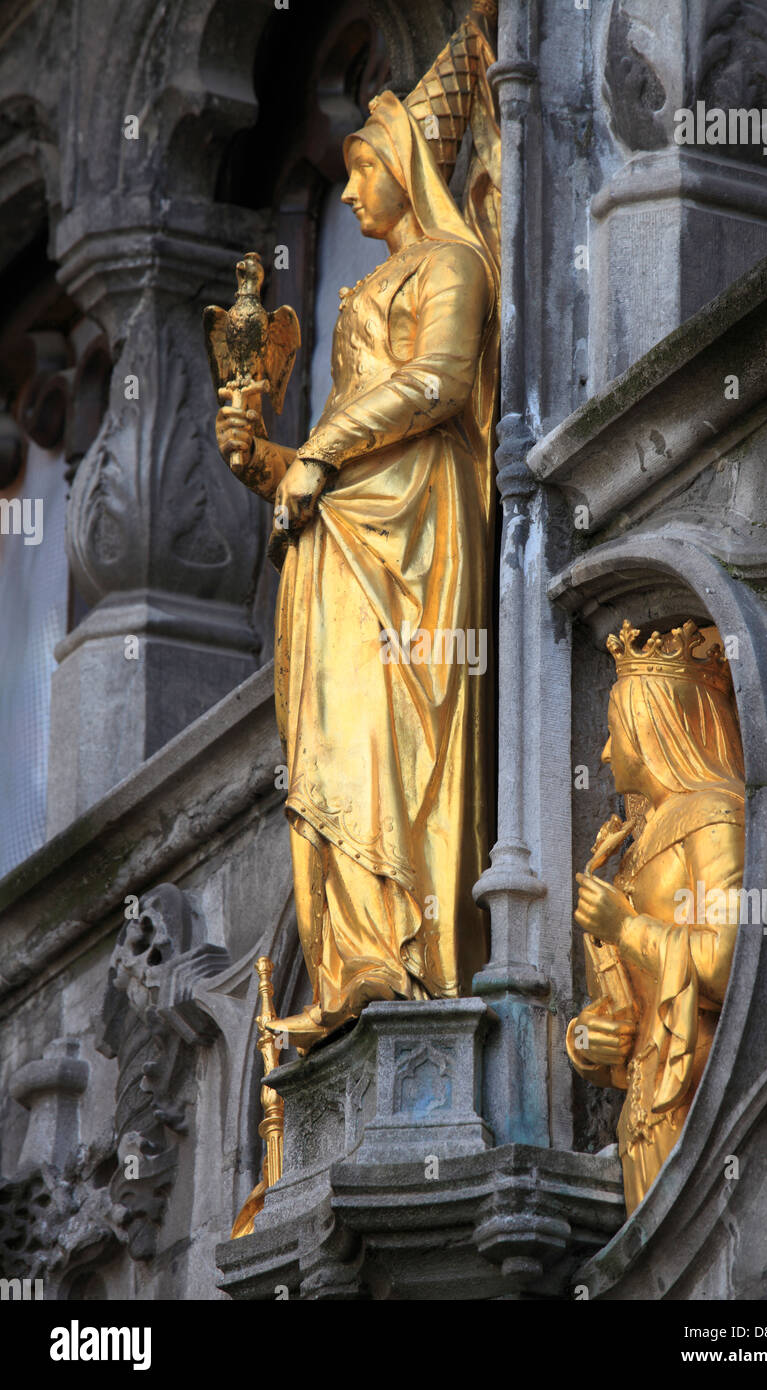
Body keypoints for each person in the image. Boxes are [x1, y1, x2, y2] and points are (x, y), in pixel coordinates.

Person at [214, 88, 498, 1054]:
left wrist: (324, 451)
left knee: (392, 717)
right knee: (334, 728)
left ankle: (406, 943)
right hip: (340, 532)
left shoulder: (452, 265)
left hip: (416, 521)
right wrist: (264, 457)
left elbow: (438, 384)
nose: (347, 199)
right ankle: (349, 957)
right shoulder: (361, 293)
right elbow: (321, 462)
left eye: (361, 174)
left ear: (404, 169)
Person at [568, 621, 745, 1213]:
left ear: (655, 730)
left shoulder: (716, 817)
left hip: (698, 1089)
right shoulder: (630, 848)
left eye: (615, 732)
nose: (604, 750)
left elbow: (725, 963)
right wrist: (587, 1040)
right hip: (645, 1110)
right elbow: (625, 1009)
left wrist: (625, 928)